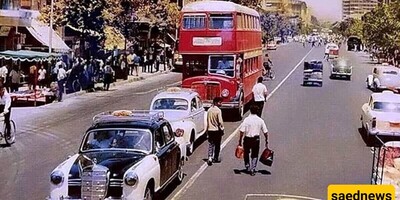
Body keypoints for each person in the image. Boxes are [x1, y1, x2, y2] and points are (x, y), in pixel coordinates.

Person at [238, 105, 269, 176]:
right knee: (254, 154)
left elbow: (242, 131)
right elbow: (265, 132)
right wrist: (266, 140)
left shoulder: (246, 120)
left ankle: (247, 166)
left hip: (247, 139)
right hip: (256, 139)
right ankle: (253, 168)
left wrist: (240, 140)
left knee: (246, 153)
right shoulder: (260, 120)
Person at [206, 97, 224, 166]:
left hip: (210, 130)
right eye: (220, 102)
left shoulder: (209, 110)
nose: (221, 104)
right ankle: (215, 157)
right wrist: (222, 129)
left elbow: (207, 120)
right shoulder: (218, 111)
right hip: (217, 130)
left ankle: (210, 157)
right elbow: (220, 122)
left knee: (211, 144)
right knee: (217, 145)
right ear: (216, 102)